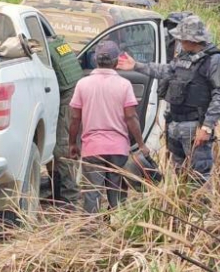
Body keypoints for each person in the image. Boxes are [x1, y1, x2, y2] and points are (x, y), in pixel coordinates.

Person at [117, 14, 220, 182]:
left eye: (182, 38)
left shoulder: (214, 60)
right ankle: (181, 206)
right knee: (179, 174)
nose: (179, 41)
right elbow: (165, 71)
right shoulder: (184, 56)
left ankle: (199, 208)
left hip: (195, 127)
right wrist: (137, 66)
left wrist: (206, 127)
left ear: (193, 40)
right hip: (175, 124)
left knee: (199, 177)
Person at [68, 40, 150, 213]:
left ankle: (90, 232)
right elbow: (131, 117)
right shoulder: (124, 85)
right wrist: (141, 144)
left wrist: (72, 144)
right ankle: (117, 227)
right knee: (117, 193)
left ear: (95, 60)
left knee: (91, 194)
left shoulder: (83, 84)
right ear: (115, 61)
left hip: (92, 148)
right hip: (118, 149)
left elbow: (75, 118)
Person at [46, 31, 84, 207]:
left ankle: (70, 200)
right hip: (64, 95)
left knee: (62, 149)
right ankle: (57, 194)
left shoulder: (42, 48)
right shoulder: (56, 42)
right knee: (57, 149)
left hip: (66, 98)